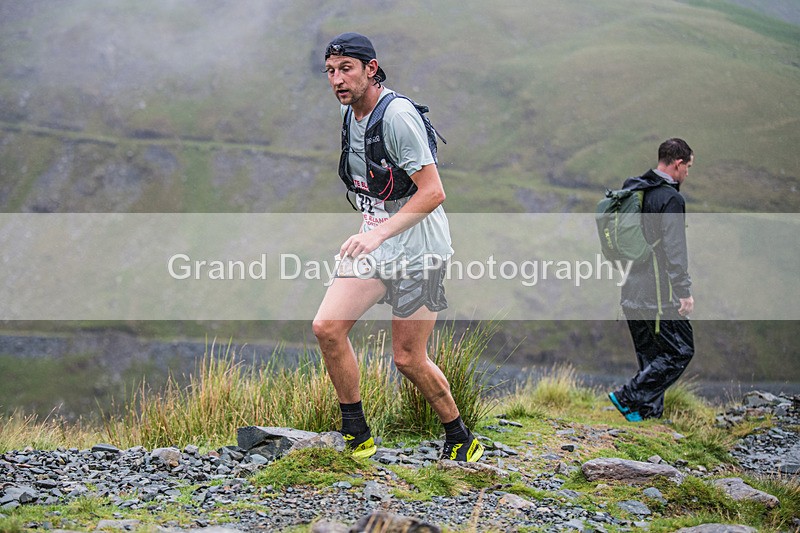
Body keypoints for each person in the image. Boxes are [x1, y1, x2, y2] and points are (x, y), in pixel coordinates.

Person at [312, 32, 484, 462]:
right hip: (376, 239)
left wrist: (377, 234)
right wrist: (373, 230)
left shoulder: (398, 117)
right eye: (330, 71)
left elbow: (433, 192)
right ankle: (357, 434)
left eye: (346, 68)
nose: (337, 79)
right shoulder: (349, 109)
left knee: (408, 358)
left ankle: (461, 436)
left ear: (372, 69)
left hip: (419, 249)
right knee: (327, 328)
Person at [608, 138, 696, 422]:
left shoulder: (633, 189)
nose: (687, 174)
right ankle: (628, 397)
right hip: (658, 291)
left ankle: (645, 413)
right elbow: (674, 249)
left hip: (630, 287)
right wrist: (683, 291)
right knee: (680, 350)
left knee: (651, 353)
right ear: (678, 163)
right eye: (688, 168)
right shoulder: (670, 198)